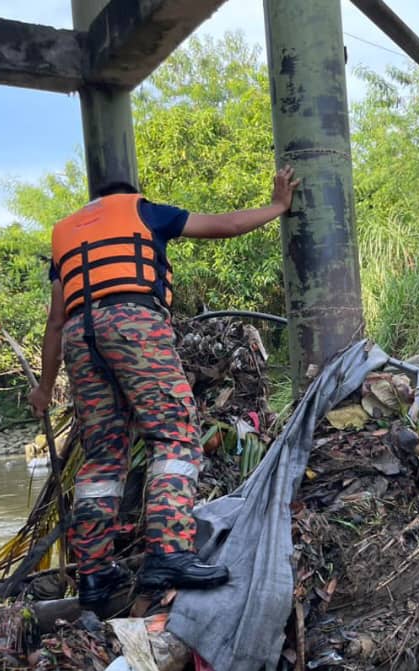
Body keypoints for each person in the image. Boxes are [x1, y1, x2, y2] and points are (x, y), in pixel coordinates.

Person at [29, 167, 300, 608]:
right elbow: (225, 225)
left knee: (102, 458)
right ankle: (170, 554)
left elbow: (55, 321)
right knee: (175, 435)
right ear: (131, 193)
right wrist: (277, 205)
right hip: (134, 324)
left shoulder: (65, 234)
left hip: (82, 337)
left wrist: (44, 387)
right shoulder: (144, 211)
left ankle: (95, 576)